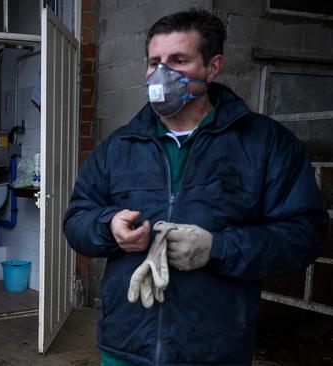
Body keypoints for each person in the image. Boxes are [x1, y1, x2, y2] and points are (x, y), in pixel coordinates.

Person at [63, 9, 329, 366]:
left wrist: (217, 249)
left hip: (213, 350)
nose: (162, 73)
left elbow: (304, 234)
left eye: (179, 60)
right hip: (125, 346)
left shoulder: (266, 145)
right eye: (154, 61)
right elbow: (76, 219)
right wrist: (107, 227)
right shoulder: (118, 147)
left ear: (212, 67)